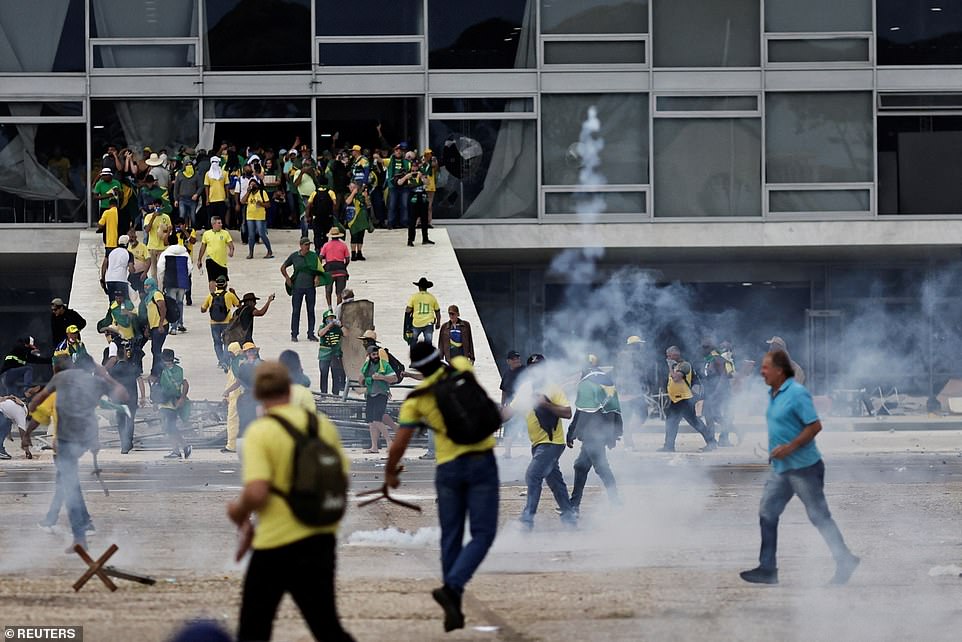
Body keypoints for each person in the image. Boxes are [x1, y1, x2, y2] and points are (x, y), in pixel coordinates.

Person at [227, 361, 354, 642]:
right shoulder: (321, 426)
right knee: (326, 627)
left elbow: (257, 491)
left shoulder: (262, 431)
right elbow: (341, 479)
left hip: (276, 544)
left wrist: (237, 512)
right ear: (289, 387)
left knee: (254, 627)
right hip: (320, 539)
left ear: (258, 394)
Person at [385, 342, 498, 633]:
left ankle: (454, 604)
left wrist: (390, 474)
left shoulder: (416, 399)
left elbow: (399, 444)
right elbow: (461, 367)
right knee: (483, 534)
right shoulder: (461, 369)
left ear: (418, 369)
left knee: (451, 536)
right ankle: (453, 589)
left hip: (448, 469)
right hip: (482, 461)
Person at [740, 350, 860, 586]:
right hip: (781, 468)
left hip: (804, 467)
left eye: (766, 368)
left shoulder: (796, 393)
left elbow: (815, 426)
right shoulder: (773, 394)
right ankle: (767, 568)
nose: (762, 371)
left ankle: (844, 559)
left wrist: (790, 447)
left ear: (780, 371)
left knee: (819, 516)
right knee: (767, 512)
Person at [28, 357, 128, 551]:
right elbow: (123, 396)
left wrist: (32, 406)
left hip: (66, 438)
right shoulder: (96, 381)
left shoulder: (61, 378)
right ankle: (83, 526)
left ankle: (80, 537)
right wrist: (106, 376)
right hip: (85, 438)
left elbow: (37, 400)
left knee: (69, 485)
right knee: (69, 482)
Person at [511, 353, 577, 530]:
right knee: (555, 480)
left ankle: (527, 520)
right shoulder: (525, 389)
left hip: (552, 444)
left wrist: (546, 404)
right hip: (538, 444)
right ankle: (570, 517)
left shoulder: (552, 388)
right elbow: (509, 413)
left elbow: (567, 412)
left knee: (533, 475)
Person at [567, 355, 622, 514]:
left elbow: (582, 411)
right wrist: (615, 433)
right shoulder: (607, 382)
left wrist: (572, 432)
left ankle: (614, 501)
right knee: (580, 466)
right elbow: (616, 409)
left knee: (601, 467)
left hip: (593, 433)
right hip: (601, 432)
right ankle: (574, 504)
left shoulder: (587, 383)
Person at [660, 345, 717, 453]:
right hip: (676, 400)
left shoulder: (685, 365)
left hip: (684, 400)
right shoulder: (676, 365)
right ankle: (669, 446)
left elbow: (676, 378)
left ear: (676, 354)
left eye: (669, 355)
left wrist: (670, 367)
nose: (668, 358)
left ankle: (711, 442)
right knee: (671, 423)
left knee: (695, 422)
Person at [281, 237, 321, 342]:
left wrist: (317, 277)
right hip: (297, 288)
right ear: (301, 245)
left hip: (310, 288)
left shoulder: (313, 256)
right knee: (296, 311)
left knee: (311, 310)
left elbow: (319, 269)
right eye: (306, 244)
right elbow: (283, 267)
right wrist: (287, 278)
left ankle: (310, 333)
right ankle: (294, 334)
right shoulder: (294, 256)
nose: (307, 247)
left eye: (309, 244)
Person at [617, 336, 651, 450]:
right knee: (631, 418)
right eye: (638, 344)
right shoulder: (625, 356)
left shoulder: (635, 356)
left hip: (635, 392)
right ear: (633, 345)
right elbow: (623, 373)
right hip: (627, 393)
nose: (640, 346)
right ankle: (628, 441)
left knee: (641, 415)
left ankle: (628, 435)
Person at [157, 349, 192, 460]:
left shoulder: (178, 371)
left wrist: (182, 398)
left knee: (170, 427)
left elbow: (185, 383)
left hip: (173, 402)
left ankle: (185, 446)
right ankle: (176, 450)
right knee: (167, 427)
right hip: (163, 402)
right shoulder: (162, 370)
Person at [700, 338, 735, 447]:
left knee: (714, 415)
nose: (703, 349)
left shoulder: (717, 358)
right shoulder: (709, 359)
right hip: (710, 391)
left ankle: (730, 433)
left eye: (705, 347)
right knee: (709, 416)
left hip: (718, 392)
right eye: (702, 347)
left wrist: (716, 393)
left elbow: (724, 377)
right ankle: (713, 442)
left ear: (711, 348)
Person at [361, 345, 395, 454]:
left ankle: (389, 442)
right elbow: (360, 380)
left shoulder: (384, 365)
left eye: (376, 354)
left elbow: (394, 378)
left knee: (377, 419)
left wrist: (382, 377)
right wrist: (366, 379)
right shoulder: (366, 365)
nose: (375, 356)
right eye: (373, 354)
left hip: (381, 394)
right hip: (370, 394)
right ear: (369, 355)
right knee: (371, 422)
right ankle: (374, 446)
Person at [201, 275, 240, 370]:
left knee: (217, 343)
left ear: (216, 285)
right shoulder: (229, 295)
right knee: (227, 342)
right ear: (226, 284)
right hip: (227, 323)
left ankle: (221, 361)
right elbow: (239, 305)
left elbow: (203, 309)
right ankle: (226, 361)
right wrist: (234, 293)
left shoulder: (210, 296)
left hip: (214, 323)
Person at [158, 242, 192, 335]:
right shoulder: (185, 254)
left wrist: (162, 281)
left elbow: (160, 268)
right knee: (180, 303)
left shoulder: (165, 254)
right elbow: (189, 268)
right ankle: (180, 323)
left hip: (170, 282)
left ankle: (173, 327)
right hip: (182, 283)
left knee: (172, 304)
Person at [196, 216, 234, 293]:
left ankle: (222, 295)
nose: (221, 224)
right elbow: (203, 247)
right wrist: (199, 260)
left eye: (221, 223)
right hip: (211, 259)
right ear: (213, 224)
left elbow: (231, 245)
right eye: (219, 223)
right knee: (212, 279)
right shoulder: (206, 234)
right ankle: (213, 296)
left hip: (222, 262)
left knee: (224, 280)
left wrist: (231, 251)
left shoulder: (225, 233)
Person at [499, 350, 525, 459]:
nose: (517, 360)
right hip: (510, 405)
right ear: (508, 361)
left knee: (526, 426)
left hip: (524, 404)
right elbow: (504, 390)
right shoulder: (507, 373)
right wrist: (502, 404)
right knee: (508, 428)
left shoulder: (525, 370)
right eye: (514, 359)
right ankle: (507, 452)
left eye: (518, 358)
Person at [140, 278, 168, 377]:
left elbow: (163, 308)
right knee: (155, 350)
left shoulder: (157, 294)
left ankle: (156, 373)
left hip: (160, 326)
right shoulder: (148, 297)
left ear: (152, 285)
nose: (145, 287)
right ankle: (158, 371)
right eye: (144, 285)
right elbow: (150, 314)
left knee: (156, 350)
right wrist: (148, 328)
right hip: (153, 327)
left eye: (147, 285)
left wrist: (161, 324)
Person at [241, 179, 274, 259]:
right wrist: (248, 192)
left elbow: (268, 204)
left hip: (260, 217)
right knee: (251, 236)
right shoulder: (249, 194)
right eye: (251, 185)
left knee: (262, 234)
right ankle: (251, 253)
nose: (252, 186)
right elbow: (242, 201)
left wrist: (261, 204)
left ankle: (269, 251)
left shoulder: (262, 193)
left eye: (254, 184)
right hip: (250, 216)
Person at [319, 228, 350, 308]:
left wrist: (321, 267)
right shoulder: (343, 245)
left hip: (329, 270)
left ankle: (330, 308)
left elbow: (320, 257)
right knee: (339, 292)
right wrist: (344, 266)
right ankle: (338, 309)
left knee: (328, 290)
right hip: (341, 270)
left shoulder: (326, 245)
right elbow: (347, 259)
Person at [406, 277, 441, 347]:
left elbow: (408, 310)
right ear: (426, 288)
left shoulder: (414, 297)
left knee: (413, 341)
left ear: (419, 287)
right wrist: (438, 322)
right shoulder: (432, 297)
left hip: (416, 323)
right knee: (428, 343)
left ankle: (414, 356)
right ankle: (427, 356)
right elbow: (437, 311)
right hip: (429, 323)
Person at [317, 309, 345, 396]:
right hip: (324, 354)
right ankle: (323, 393)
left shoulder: (337, 328)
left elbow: (346, 334)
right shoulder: (322, 327)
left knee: (336, 373)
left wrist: (341, 326)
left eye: (332, 318)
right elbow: (320, 334)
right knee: (324, 372)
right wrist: (329, 326)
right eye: (329, 318)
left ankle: (335, 393)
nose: (331, 319)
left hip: (335, 353)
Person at [143, 198, 172, 280]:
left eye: (159, 207)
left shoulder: (166, 217)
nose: (157, 208)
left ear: (162, 206)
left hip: (162, 248)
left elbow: (169, 230)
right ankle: (155, 289)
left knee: (162, 270)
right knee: (153, 272)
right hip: (152, 247)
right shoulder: (148, 217)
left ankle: (162, 288)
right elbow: (147, 230)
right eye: (156, 207)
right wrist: (153, 217)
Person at [344, 181, 373, 261]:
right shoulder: (347, 195)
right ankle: (353, 253)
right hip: (352, 219)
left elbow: (368, 205)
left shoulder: (361, 196)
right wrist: (353, 193)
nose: (352, 188)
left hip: (361, 218)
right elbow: (347, 202)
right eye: (351, 187)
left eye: (354, 187)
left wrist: (366, 197)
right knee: (354, 236)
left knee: (361, 236)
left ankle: (359, 252)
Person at [385, 144, 410, 229]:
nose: (398, 152)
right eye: (396, 150)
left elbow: (412, 169)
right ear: (394, 151)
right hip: (393, 187)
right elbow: (380, 159)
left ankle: (404, 222)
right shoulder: (390, 160)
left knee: (404, 205)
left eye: (400, 150)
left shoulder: (407, 162)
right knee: (392, 205)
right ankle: (390, 223)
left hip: (404, 187)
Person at [101, 235, 133, 301]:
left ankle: (112, 310)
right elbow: (131, 269)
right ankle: (122, 310)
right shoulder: (129, 254)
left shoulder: (110, 252)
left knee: (112, 301)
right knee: (124, 301)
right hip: (121, 281)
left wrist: (103, 279)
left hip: (110, 280)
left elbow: (104, 266)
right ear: (127, 244)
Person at [173, 157, 202, 227]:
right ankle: (182, 231)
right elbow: (176, 188)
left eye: (190, 164)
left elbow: (201, 186)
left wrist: (196, 194)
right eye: (187, 164)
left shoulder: (196, 174)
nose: (189, 166)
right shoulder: (180, 174)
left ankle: (193, 232)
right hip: (182, 199)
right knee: (182, 215)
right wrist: (176, 199)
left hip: (192, 199)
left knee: (193, 216)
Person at [204, 156, 229, 230]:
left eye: (216, 162)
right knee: (211, 218)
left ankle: (222, 231)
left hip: (221, 198)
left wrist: (227, 197)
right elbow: (206, 187)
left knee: (222, 217)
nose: (214, 164)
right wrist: (207, 199)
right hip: (211, 199)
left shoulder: (224, 173)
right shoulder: (208, 174)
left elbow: (226, 185)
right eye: (213, 162)